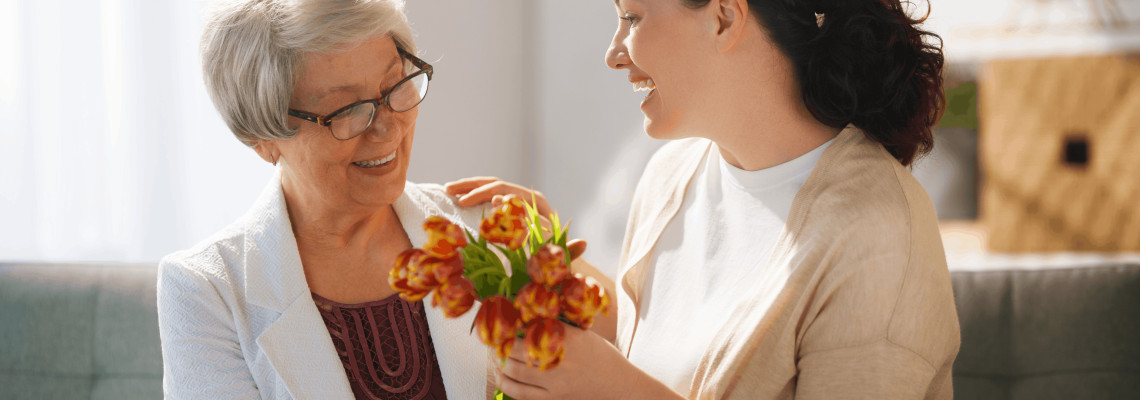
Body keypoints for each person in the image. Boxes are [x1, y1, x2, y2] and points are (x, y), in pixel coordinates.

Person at [446, 0, 960, 398]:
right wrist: (554, 272)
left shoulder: (877, 236)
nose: (614, 52)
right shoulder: (674, 175)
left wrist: (619, 392)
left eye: (633, 18)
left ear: (722, 19)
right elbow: (666, 344)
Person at [157, 0, 493, 398]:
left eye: (394, 86)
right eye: (346, 109)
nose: (387, 129)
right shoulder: (206, 290)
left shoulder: (486, 225)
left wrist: (553, 253)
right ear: (263, 139)